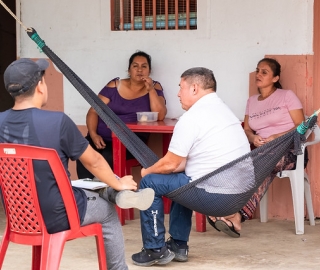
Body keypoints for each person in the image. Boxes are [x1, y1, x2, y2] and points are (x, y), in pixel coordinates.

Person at [0, 58, 156, 270]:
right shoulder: (58, 122)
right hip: (58, 213)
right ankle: (118, 194)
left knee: (80, 184)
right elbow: (94, 161)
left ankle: (114, 191)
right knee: (107, 212)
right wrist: (119, 182)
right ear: (40, 86)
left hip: (21, 215)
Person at [131, 67, 251, 266]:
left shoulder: (192, 117)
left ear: (194, 88)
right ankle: (178, 246)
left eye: (181, 87)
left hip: (213, 193)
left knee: (150, 182)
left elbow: (171, 163)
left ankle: (154, 249)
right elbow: (181, 165)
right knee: (182, 181)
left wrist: (146, 171)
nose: (178, 93)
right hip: (238, 195)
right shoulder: (225, 112)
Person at [207, 57, 306, 238]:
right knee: (240, 166)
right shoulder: (252, 101)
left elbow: (302, 126)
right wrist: (253, 137)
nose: (258, 75)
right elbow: (246, 129)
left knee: (260, 165)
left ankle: (233, 214)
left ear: (275, 78)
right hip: (262, 152)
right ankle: (233, 215)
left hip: (291, 152)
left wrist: (278, 136)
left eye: (264, 72)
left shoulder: (286, 96)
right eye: (258, 70)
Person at [77, 50, 167, 179]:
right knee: (83, 154)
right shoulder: (115, 86)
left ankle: (106, 195)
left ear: (149, 71)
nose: (139, 70)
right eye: (135, 66)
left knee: (108, 156)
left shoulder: (155, 87)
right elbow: (93, 111)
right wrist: (93, 134)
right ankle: (86, 194)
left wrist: (150, 89)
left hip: (131, 143)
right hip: (101, 138)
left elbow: (160, 116)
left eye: (144, 66)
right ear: (129, 70)